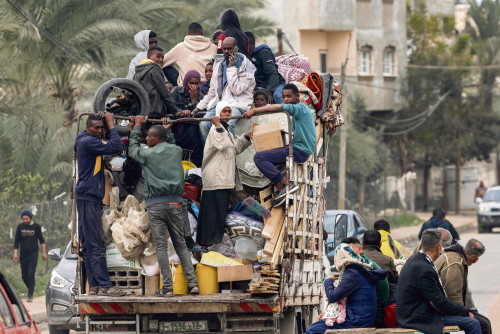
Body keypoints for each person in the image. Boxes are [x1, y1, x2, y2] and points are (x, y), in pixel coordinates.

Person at [128, 115, 199, 296]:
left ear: (156, 139)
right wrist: (167, 130)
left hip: (155, 205)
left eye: (149, 136)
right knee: (180, 244)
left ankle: (167, 288)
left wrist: (136, 127)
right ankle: (193, 285)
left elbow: (133, 150)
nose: (146, 138)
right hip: (176, 203)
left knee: (160, 246)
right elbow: (171, 144)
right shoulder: (175, 150)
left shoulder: (147, 154)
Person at [75, 113, 125, 296]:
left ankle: (94, 285)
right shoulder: (89, 142)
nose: (99, 131)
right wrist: (111, 123)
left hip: (85, 196)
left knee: (88, 245)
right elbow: (116, 146)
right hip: (89, 197)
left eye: (101, 127)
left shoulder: (83, 139)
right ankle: (105, 285)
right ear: (88, 127)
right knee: (96, 244)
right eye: (96, 127)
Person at [244, 83, 316, 207]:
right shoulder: (300, 111)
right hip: (299, 149)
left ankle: (285, 184)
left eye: (289, 96)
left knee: (259, 157)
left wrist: (255, 110)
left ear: (297, 96)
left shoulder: (299, 107)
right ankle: (280, 188)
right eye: (284, 96)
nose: (286, 99)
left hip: (300, 150)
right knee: (269, 154)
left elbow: (278, 107)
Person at [396, 229, 480, 334]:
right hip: (417, 318)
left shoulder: (415, 260)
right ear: (439, 248)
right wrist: (465, 312)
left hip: (412, 313)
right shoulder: (424, 269)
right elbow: (439, 302)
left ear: (421, 244)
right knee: (473, 323)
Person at [196, 101, 252, 247]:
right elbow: (222, 144)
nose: (227, 114)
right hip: (216, 180)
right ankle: (208, 244)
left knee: (218, 214)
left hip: (223, 180)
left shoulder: (225, 130)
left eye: (229, 112)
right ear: (218, 114)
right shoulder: (216, 130)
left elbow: (233, 149)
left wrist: (246, 137)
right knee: (212, 215)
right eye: (224, 112)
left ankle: (212, 243)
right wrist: (217, 124)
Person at [306, 239, 386, 333]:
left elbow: (332, 297)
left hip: (357, 320)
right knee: (318, 325)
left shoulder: (352, 273)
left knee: (313, 330)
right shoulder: (358, 270)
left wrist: (328, 281)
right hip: (362, 316)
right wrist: (328, 314)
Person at [192, 37, 256, 141]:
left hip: (239, 104)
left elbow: (237, 90)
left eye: (229, 49)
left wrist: (231, 68)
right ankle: (210, 152)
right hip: (221, 103)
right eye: (224, 49)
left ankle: (231, 152)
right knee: (204, 124)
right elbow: (213, 91)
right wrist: (199, 107)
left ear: (235, 49)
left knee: (229, 123)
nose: (226, 52)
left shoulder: (247, 67)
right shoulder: (219, 64)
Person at [435, 239, 491, 334]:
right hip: (440, 310)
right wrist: (464, 313)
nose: (475, 261)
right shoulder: (455, 263)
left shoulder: (456, 256)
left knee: (485, 321)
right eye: (476, 259)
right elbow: (453, 294)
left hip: (444, 306)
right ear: (475, 258)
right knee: (482, 324)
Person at [133, 47, 185, 118]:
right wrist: (175, 110)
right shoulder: (155, 68)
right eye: (158, 57)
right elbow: (164, 92)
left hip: (141, 110)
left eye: (162, 58)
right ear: (149, 57)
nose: (161, 60)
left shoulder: (137, 71)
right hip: (156, 110)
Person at [169, 70, 205, 167]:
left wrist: (193, 100)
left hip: (192, 130)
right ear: (186, 82)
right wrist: (181, 112)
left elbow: (200, 115)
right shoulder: (176, 91)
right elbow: (170, 105)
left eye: (196, 83)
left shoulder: (201, 97)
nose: (193, 86)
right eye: (191, 83)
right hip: (176, 128)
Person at [13, 210, 47, 302]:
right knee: (24, 276)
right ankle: (31, 289)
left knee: (30, 274)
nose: (25, 221)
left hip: (33, 255)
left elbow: (42, 241)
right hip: (23, 255)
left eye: (26, 219)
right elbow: (16, 241)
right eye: (23, 219)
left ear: (30, 218)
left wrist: (44, 253)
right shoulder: (20, 227)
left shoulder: (36, 227)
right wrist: (15, 253)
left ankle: (30, 294)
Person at [245, 31, 286, 104]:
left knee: (278, 96)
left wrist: (268, 91)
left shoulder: (264, 53)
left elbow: (273, 75)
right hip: (260, 86)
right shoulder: (245, 57)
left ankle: (289, 113)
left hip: (276, 84)